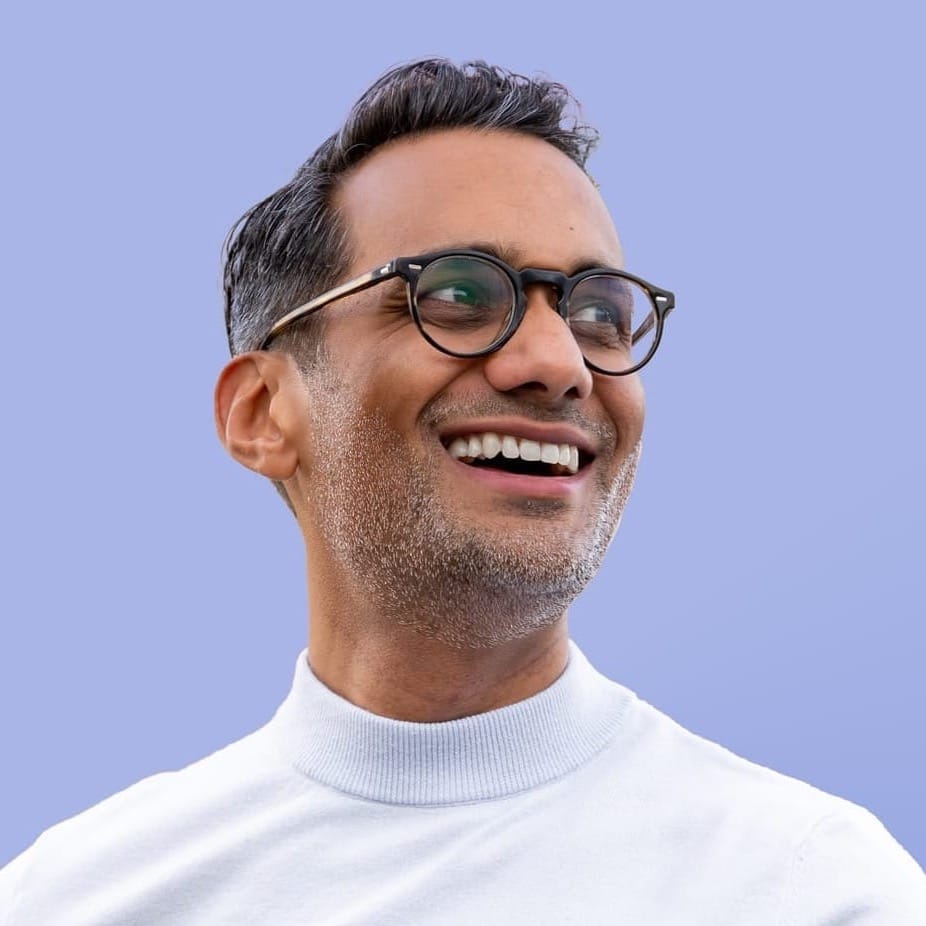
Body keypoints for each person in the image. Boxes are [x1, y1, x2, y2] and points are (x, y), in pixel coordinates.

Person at [1, 58, 923, 925]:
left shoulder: (809, 888)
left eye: (599, 313)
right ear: (263, 413)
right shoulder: (79, 898)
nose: (559, 363)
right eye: (456, 296)